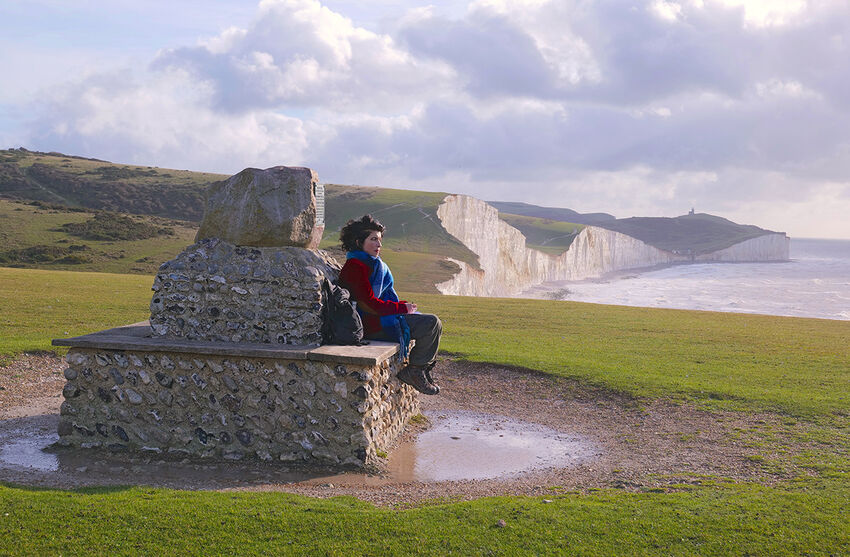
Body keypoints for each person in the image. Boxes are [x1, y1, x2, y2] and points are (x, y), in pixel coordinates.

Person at [337, 215, 441, 395]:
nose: (379, 245)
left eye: (380, 240)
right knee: (430, 323)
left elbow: (381, 300)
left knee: (433, 324)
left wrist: (403, 305)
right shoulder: (355, 267)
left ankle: (421, 368)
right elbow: (368, 305)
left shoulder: (373, 264)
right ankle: (414, 370)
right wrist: (401, 309)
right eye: (373, 239)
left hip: (379, 319)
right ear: (358, 242)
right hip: (368, 325)